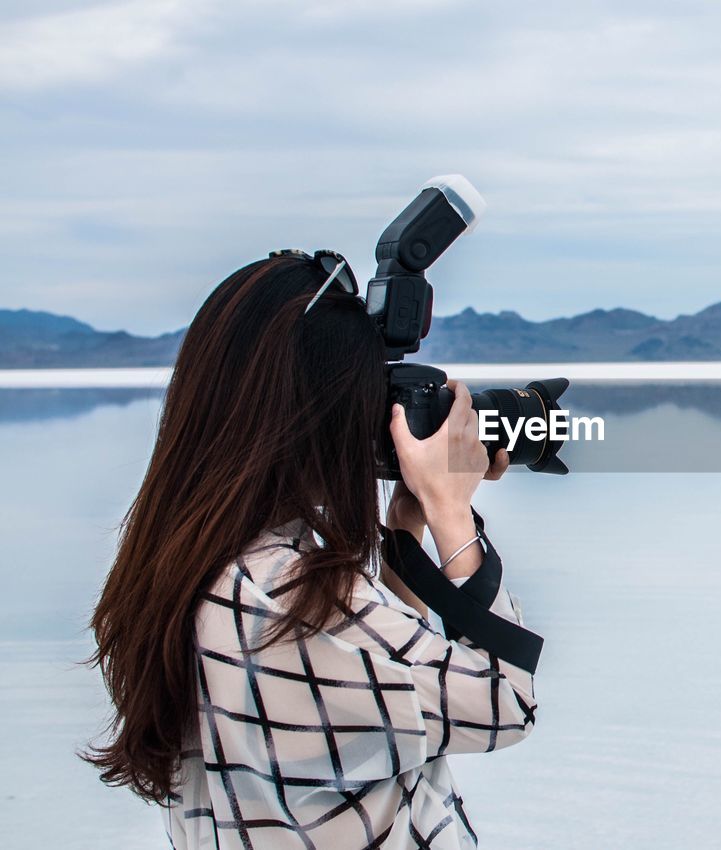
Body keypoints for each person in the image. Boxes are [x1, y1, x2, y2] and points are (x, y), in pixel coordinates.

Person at [85, 254, 536, 848]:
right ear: (318, 412)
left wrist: (406, 527)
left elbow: (376, 694)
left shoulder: (183, 570)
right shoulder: (289, 599)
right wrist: (453, 511)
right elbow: (504, 702)